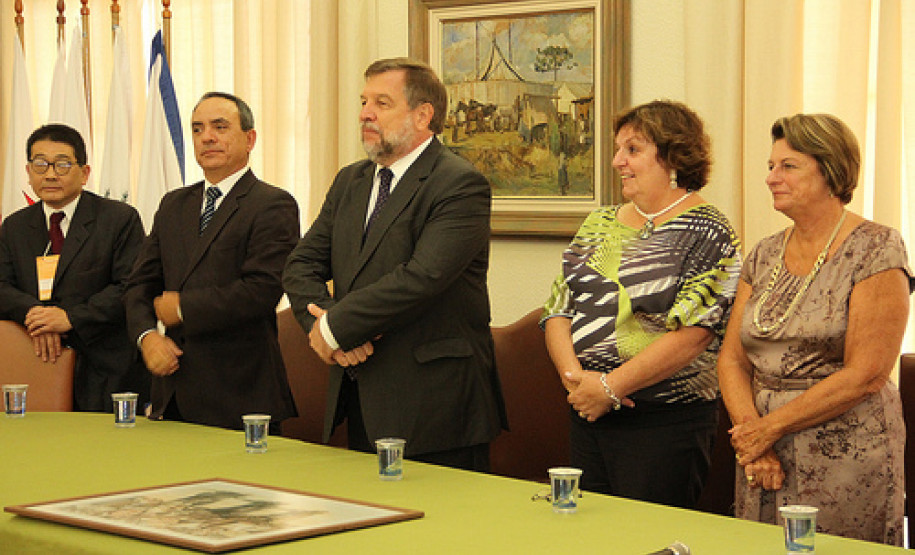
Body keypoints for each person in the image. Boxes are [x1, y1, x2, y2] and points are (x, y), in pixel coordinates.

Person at [283, 58, 507, 472]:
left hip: (436, 408)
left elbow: (422, 278)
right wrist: (325, 325)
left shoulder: (459, 184)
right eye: (364, 101)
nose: (365, 112)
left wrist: (336, 329)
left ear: (423, 115)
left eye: (381, 103)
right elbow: (301, 264)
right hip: (361, 392)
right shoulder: (350, 180)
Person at [718, 113, 912, 545]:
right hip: (760, 452)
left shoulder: (877, 248)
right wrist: (755, 435)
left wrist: (770, 429)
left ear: (831, 171)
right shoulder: (764, 253)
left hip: (846, 450)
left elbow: (867, 374)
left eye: (788, 166)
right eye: (771, 166)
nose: (771, 177)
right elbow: (732, 358)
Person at [541, 100, 741, 508]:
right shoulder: (599, 222)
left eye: (632, 150)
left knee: (650, 540)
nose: (617, 161)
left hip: (666, 421)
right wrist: (577, 381)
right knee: (589, 536)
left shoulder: (709, 230)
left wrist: (611, 387)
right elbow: (558, 309)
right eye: (618, 150)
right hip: (588, 410)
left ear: (673, 157)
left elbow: (695, 333)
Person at [125, 92, 300, 430]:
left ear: (249, 139)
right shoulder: (174, 204)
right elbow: (139, 284)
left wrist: (184, 307)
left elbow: (263, 290)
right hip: (173, 388)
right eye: (197, 129)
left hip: (240, 393)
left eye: (220, 127)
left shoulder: (272, 204)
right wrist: (147, 336)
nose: (207, 137)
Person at [0, 123, 148, 412]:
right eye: (40, 164)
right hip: (36, 365)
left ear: (85, 173)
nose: (51, 174)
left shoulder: (119, 220)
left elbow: (131, 286)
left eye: (63, 164)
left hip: (106, 369)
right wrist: (36, 315)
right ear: (29, 172)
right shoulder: (15, 226)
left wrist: (69, 318)